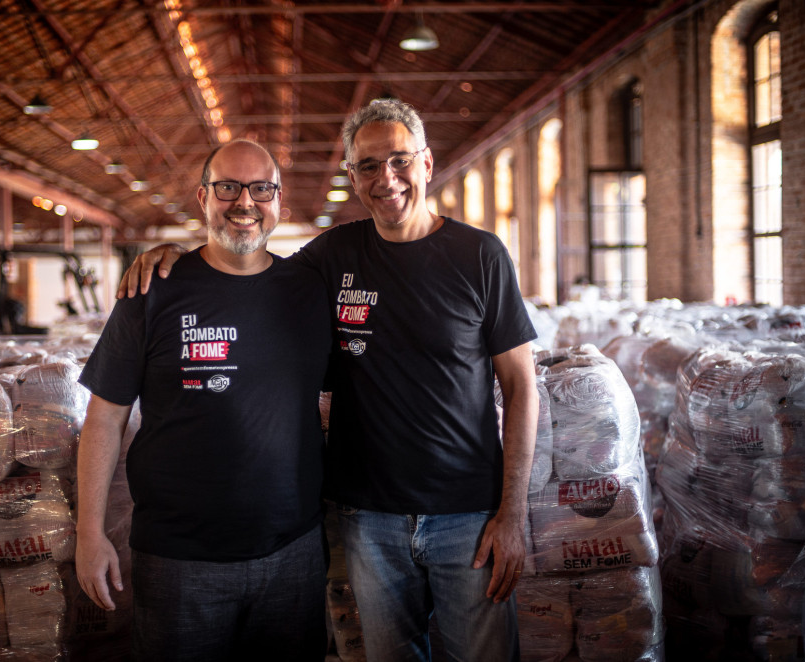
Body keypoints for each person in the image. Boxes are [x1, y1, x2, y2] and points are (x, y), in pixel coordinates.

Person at [119, 100, 539, 661]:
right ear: (353, 177)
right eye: (368, 166)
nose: (385, 179)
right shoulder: (334, 255)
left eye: (399, 160)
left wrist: (512, 515)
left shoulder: (480, 255)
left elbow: (521, 388)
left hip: (467, 514)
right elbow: (249, 262)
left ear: (427, 163)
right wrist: (178, 256)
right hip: (368, 519)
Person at [76, 139, 332, 661]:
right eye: (228, 188)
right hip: (179, 559)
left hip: (293, 552)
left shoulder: (309, 291)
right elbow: (103, 419)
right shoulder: (153, 291)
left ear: (279, 201)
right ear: (203, 197)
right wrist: (90, 532)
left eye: (261, 189)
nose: (245, 203)